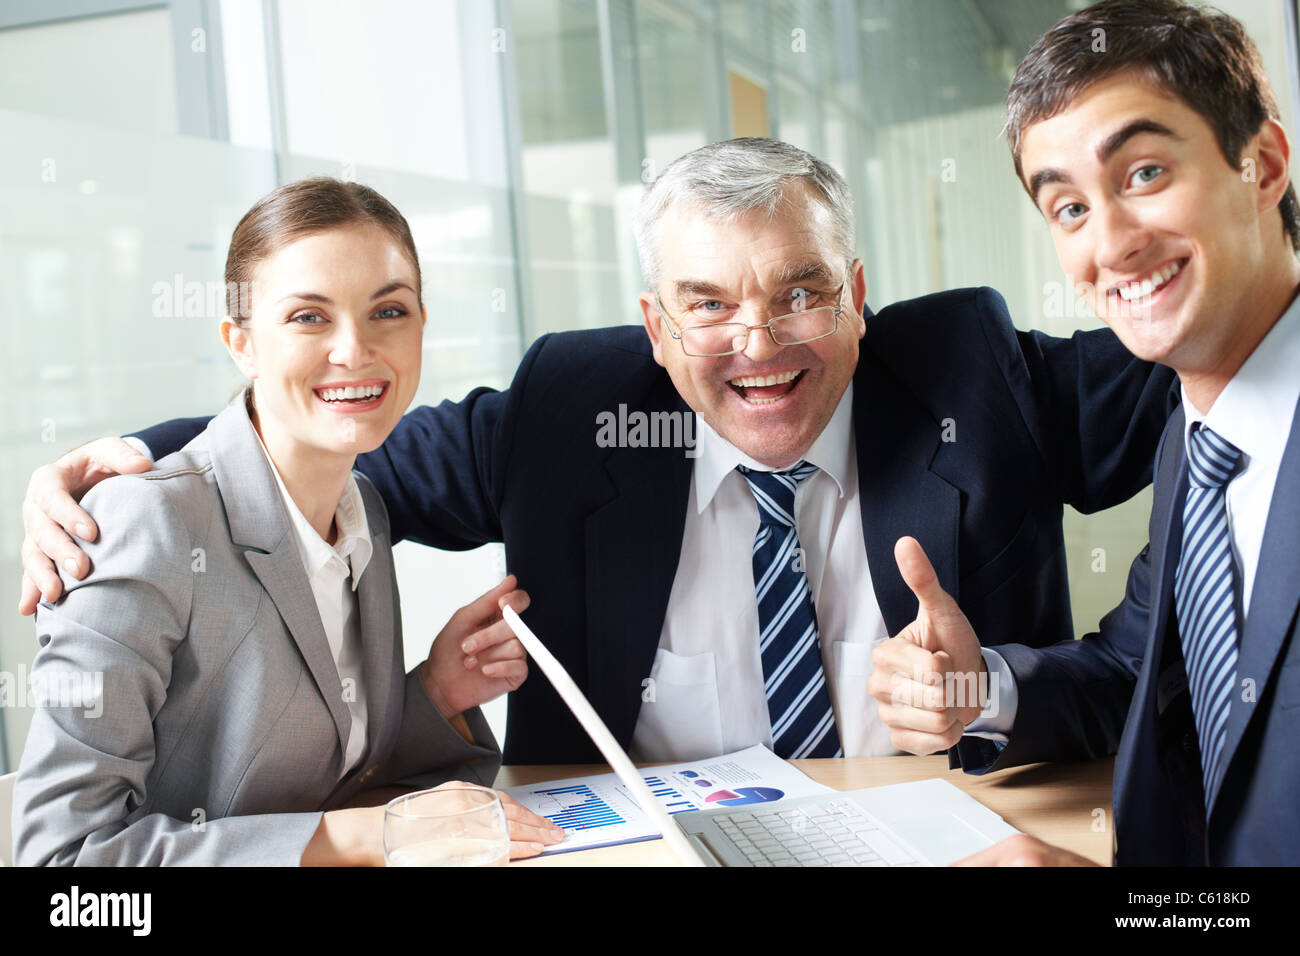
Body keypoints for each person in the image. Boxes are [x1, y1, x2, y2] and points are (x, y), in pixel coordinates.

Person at [18, 139, 1176, 766]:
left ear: (857, 297)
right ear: (655, 328)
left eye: (802, 292)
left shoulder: (974, 370)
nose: (758, 341)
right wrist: (129, 459)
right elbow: (338, 438)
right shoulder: (575, 405)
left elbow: (1205, 357)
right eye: (707, 304)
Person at [12, 178, 564, 865]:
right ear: (241, 343)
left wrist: (434, 693)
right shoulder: (142, 526)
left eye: (387, 311)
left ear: (423, 322)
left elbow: (303, 775)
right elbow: (63, 867)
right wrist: (370, 836)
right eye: (308, 317)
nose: (355, 349)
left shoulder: (361, 510)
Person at [871, 0, 1300, 866]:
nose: (1111, 244)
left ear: (1262, 163)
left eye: (1143, 174)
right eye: (1068, 208)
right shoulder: (1200, 441)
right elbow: (1136, 671)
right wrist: (975, 688)